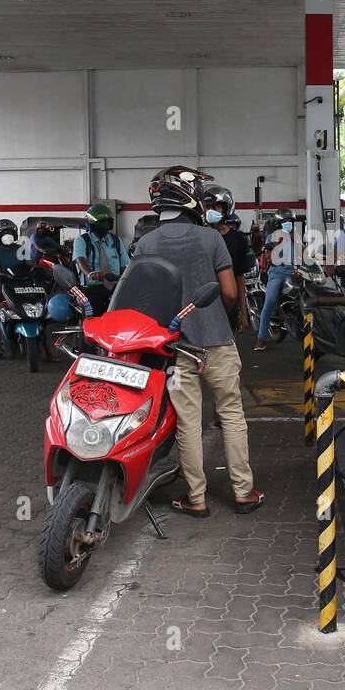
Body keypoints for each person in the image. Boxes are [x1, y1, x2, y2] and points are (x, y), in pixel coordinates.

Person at [134, 165, 262, 516]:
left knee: (188, 424)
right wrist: (219, 315)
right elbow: (230, 291)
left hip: (174, 349)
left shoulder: (145, 244)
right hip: (217, 341)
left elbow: (142, 298)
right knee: (232, 415)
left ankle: (197, 498)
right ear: (190, 200)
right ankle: (243, 493)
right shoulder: (211, 238)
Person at [203, 185, 252, 332]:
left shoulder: (238, 239)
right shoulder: (198, 236)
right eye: (209, 207)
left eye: (217, 207)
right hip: (202, 304)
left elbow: (239, 278)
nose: (212, 210)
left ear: (226, 209)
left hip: (228, 305)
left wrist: (243, 312)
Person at [72, 204, 129, 317]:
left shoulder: (116, 240)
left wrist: (126, 279)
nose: (104, 226)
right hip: (92, 288)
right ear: (91, 224)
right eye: (101, 223)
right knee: (93, 317)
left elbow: (124, 265)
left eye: (107, 223)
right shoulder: (82, 240)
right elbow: (80, 260)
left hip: (115, 287)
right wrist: (90, 273)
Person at [254, 207, 298, 351]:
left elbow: (304, 253)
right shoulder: (272, 237)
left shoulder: (295, 236)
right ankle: (260, 339)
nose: (288, 223)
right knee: (270, 301)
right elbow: (268, 256)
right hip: (277, 272)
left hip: (294, 271)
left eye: (290, 221)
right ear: (279, 223)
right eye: (285, 221)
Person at [0, 218, 24, 357]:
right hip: (3, 284)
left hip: (22, 284)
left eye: (9, 231)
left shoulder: (20, 249)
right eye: (3, 232)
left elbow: (31, 264)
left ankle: (45, 346)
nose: (7, 235)